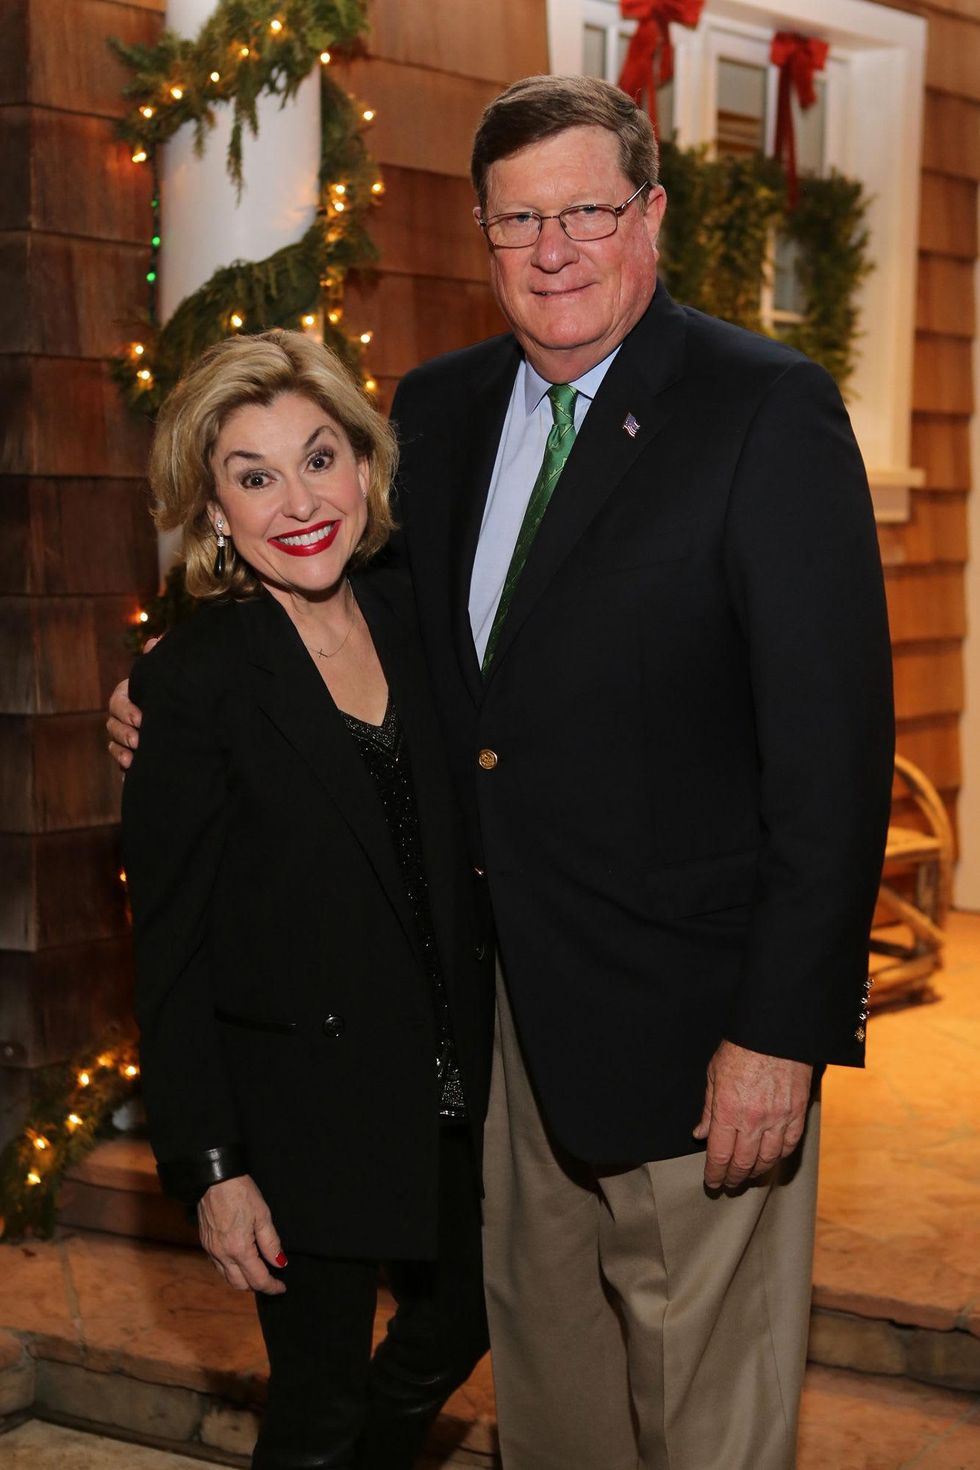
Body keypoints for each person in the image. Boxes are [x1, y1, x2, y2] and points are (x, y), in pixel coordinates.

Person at [111, 74, 895, 1470]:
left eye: (588, 211)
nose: (554, 251)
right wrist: (168, 695)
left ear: (650, 213)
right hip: (503, 1032)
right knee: (554, 1397)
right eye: (518, 220)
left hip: (696, 1032)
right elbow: (355, 624)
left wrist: (780, 1029)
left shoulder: (763, 411)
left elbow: (832, 758)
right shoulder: (443, 408)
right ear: (481, 235)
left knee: (707, 1416)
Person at [119, 329, 492, 1470]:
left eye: (318, 457)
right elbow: (168, 953)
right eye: (253, 475)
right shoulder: (192, 683)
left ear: (365, 465)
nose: (297, 501)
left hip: (461, 1083)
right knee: (317, 1406)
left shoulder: (416, 618)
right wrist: (213, 1171)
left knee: (464, 1320)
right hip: (302, 1110)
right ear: (215, 511)